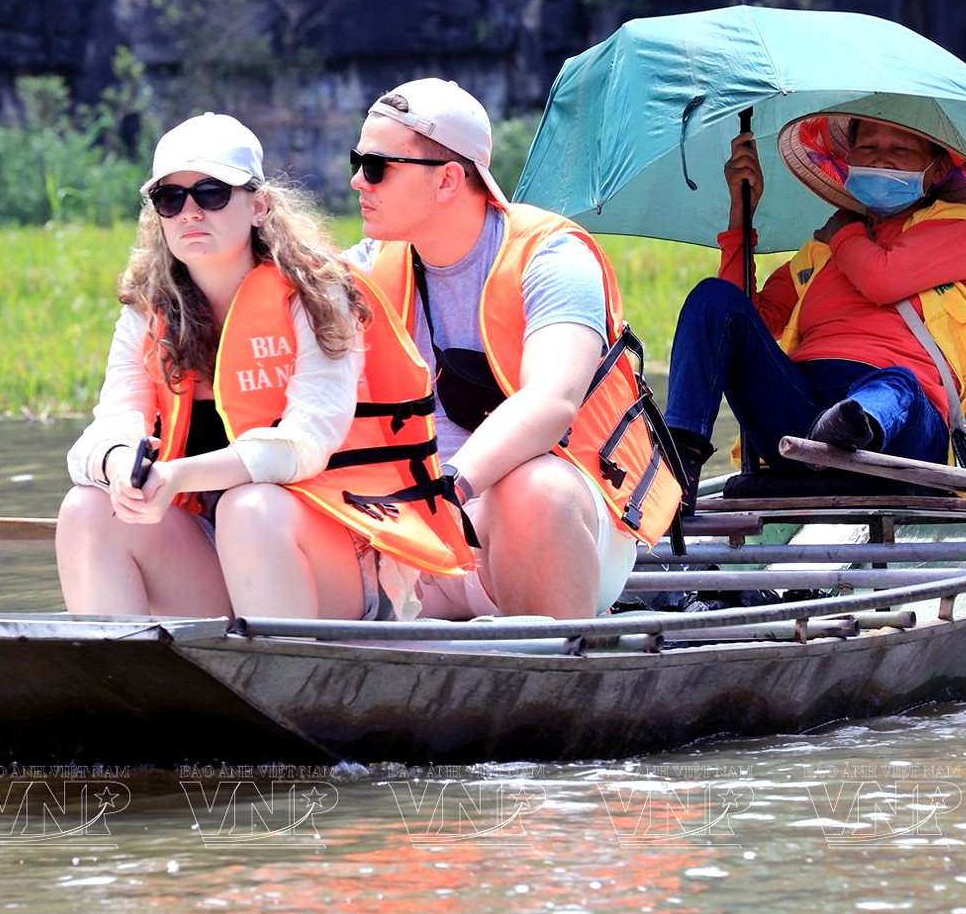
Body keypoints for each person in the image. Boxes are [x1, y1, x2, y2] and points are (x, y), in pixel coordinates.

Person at [56, 113, 474, 622]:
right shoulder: (148, 310)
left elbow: (305, 445)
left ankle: (289, 686)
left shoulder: (318, 297)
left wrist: (177, 475)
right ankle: (127, 690)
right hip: (217, 565)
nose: (190, 212)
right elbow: (107, 428)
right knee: (88, 509)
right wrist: (118, 464)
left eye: (211, 194)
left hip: (338, 559)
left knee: (248, 508)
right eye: (171, 199)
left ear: (258, 205)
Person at [345, 79, 681, 621]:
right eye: (356, 160)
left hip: (550, 528)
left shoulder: (553, 258)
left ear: (449, 179)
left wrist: (448, 488)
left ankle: (551, 676)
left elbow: (551, 401)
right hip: (417, 535)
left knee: (532, 488)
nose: (358, 180)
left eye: (378, 165)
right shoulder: (366, 266)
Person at [662, 113, 966, 500]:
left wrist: (843, 230)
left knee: (897, 384)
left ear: (937, 168)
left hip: (904, 428)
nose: (880, 159)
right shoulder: (816, 255)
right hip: (803, 417)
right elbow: (739, 323)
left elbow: (881, 278)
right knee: (712, 298)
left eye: (900, 149)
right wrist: (741, 216)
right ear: (849, 161)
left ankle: (851, 428)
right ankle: (680, 459)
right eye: (869, 148)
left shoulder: (959, 227)